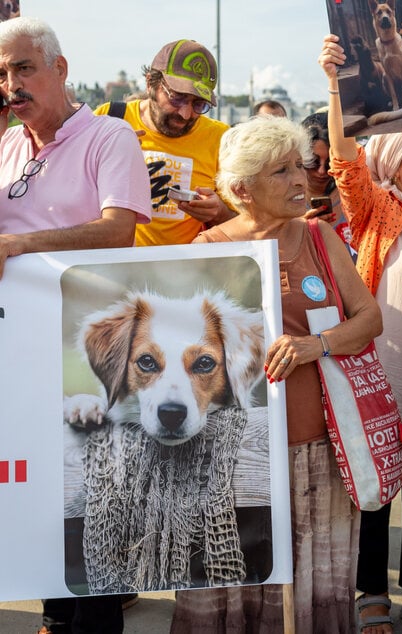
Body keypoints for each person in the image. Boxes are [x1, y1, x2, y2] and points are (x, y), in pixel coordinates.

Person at [170, 116, 382, 633]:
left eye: (299, 166)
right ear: (241, 189)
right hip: (236, 461)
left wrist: (317, 345)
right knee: (235, 578)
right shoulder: (209, 250)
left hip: (321, 451)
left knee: (313, 586)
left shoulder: (320, 235)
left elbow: (369, 319)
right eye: (281, 171)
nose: (300, 180)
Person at [0, 16, 151, 632]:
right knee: (32, 496)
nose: (11, 84)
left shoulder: (109, 138)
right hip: (16, 351)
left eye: (23, 68)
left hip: (81, 357)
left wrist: (19, 246)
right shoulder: (7, 142)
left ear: (60, 69)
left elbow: (119, 228)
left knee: (84, 503)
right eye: (2, 73)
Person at [320, 33, 402, 634]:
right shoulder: (375, 208)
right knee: (374, 487)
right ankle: (369, 593)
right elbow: (342, 158)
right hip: (376, 369)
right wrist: (335, 85)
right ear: (390, 163)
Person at [94, 39, 233, 246]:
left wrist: (219, 212)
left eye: (199, 104)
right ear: (150, 83)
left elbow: (248, 222)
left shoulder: (221, 138)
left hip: (184, 270)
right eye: (177, 98)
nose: (185, 114)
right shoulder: (110, 118)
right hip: (114, 267)